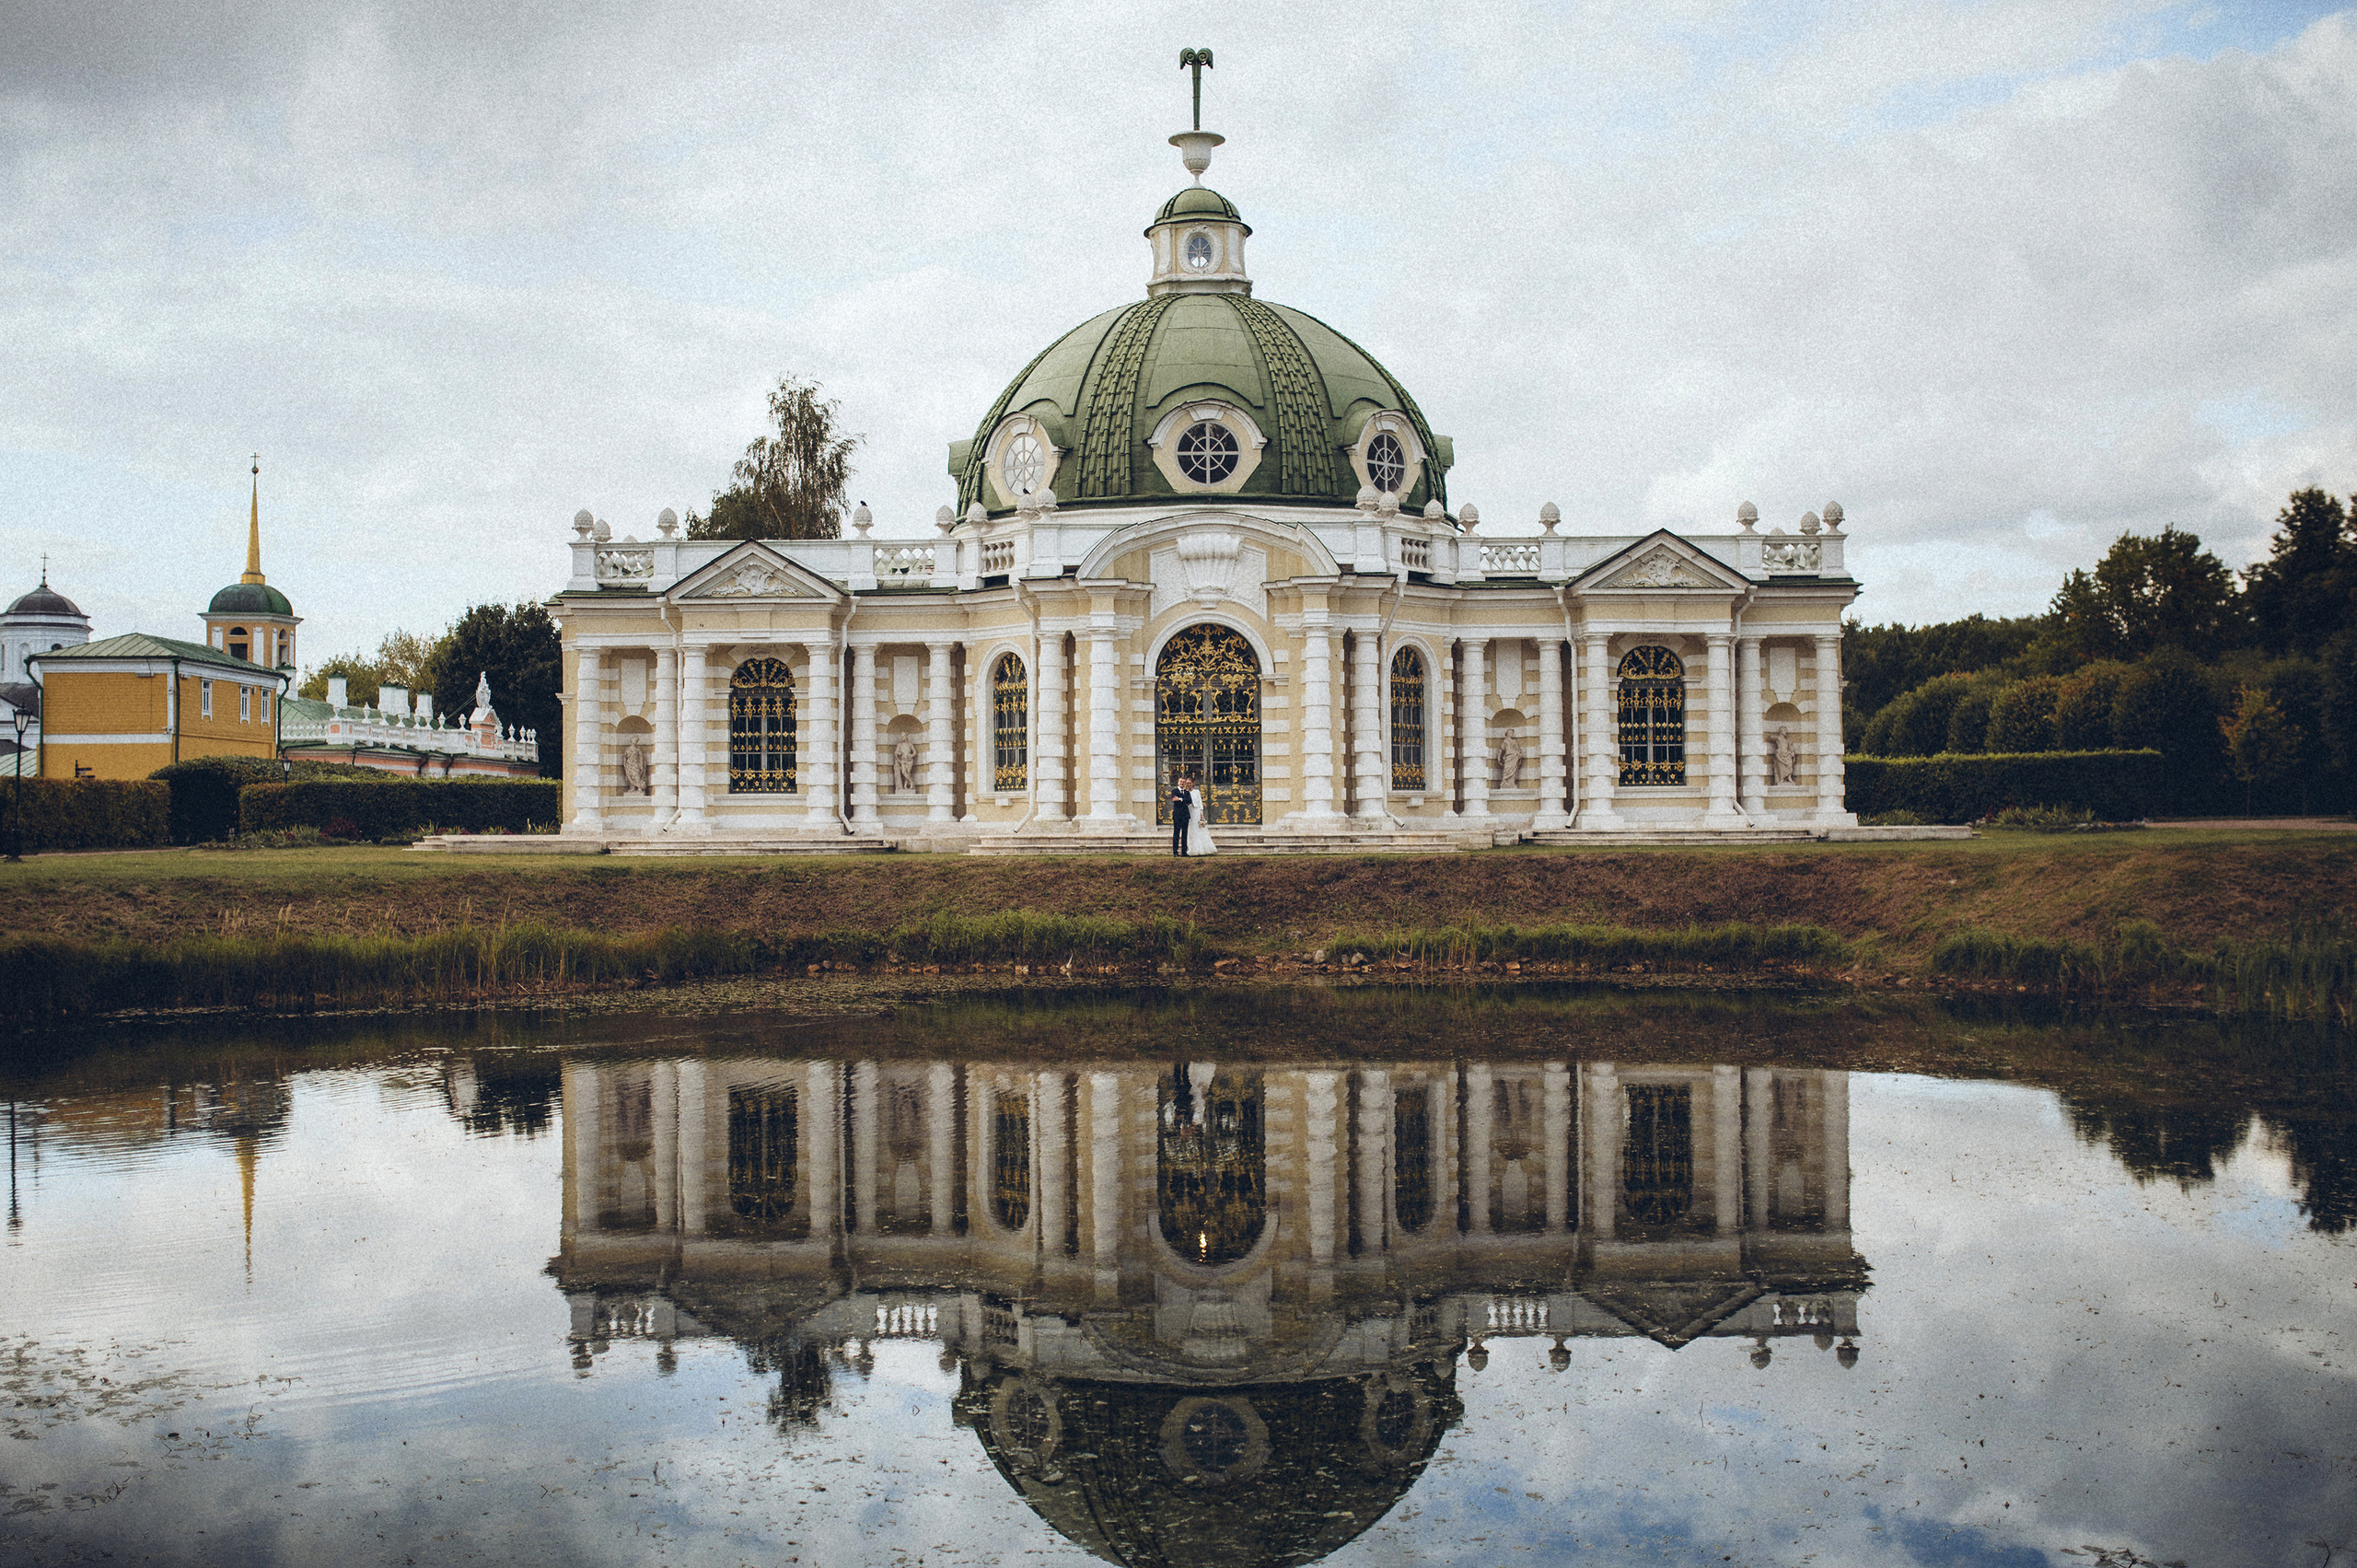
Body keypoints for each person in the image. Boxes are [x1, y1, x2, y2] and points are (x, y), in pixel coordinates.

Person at [1187, 777, 1218, 856]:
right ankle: (1192, 848)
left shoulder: (1196, 792)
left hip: (1196, 811)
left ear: (1193, 784)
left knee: (1199, 828)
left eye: (1190, 783)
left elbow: (1200, 802)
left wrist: (1201, 813)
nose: (1188, 785)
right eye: (1187, 783)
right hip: (1189, 811)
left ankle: (1203, 847)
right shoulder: (1185, 792)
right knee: (1191, 829)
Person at [1170, 772, 1192, 856]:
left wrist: (1180, 799)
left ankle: (1184, 852)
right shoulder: (1174, 791)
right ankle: (1175, 852)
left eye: (1183, 782)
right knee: (1176, 833)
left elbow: (1189, 801)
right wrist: (1183, 800)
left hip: (1185, 815)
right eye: (1181, 782)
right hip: (1177, 815)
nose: (1182, 783)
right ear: (1178, 783)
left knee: (1184, 834)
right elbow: (1174, 800)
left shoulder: (1187, 792)